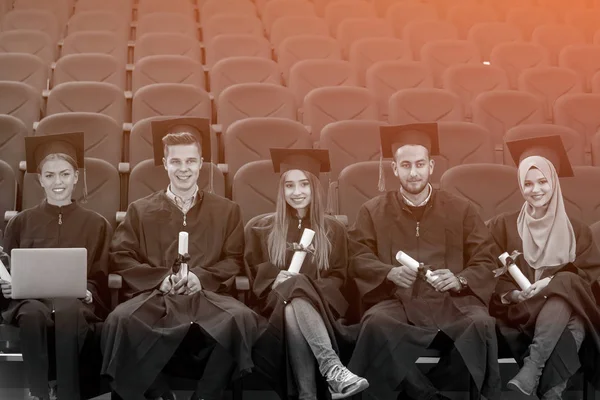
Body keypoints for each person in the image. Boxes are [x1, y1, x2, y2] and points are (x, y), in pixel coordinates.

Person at [101, 117, 262, 400]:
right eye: (176, 162)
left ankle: (205, 395)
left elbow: (233, 258)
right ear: (165, 164)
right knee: (119, 320)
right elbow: (121, 256)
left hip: (206, 296)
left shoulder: (226, 211)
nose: (184, 169)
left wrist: (201, 278)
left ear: (202, 163)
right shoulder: (141, 210)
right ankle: (160, 394)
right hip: (157, 296)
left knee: (242, 318)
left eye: (190, 161)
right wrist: (161, 280)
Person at [346, 123, 501, 400]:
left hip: (452, 302)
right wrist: (388, 273)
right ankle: (425, 394)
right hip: (398, 302)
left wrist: (460, 278)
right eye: (405, 165)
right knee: (375, 324)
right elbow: (358, 256)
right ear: (394, 169)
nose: (413, 172)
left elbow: (485, 256)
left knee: (481, 325)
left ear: (431, 166)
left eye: (420, 164)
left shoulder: (461, 209)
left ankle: (430, 390)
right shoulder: (372, 211)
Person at [245, 149, 369, 400]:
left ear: (315, 188)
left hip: (323, 308)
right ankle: (333, 370)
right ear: (281, 190)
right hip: (273, 309)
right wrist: (274, 280)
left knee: (296, 299)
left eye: (304, 184)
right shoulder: (262, 229)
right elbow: (254, 279)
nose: (297, 192)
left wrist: (305, 286)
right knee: (291, 293)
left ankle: (307, 395)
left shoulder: (334, 229)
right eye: (289, 185)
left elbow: (339, 278)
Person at [488, 135, 600, 399]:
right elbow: (486, 271)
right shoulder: (501, 226)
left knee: (568, 294)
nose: (535, 190)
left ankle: (535, 375)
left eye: (542, 182)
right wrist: (513, 294)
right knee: (573, 311)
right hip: (521, 311)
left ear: (554, 183)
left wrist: (551, 284)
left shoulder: (578, 231)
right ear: (519, 185)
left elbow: (589, 280)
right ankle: (547, 384)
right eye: (527, 183)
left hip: (556, 314)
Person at [1, 132, 112, 400]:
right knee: (32, 314)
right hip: (29, 301)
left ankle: (67, 393)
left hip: (75, 301)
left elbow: (100, 273)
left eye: (64, 174)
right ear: (40, 180)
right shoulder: (20, 222)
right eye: (49, 175)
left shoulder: (96, 224)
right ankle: (39, 392)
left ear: (76, 176)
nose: (57, 181)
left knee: (69, 310)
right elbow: (9, 267)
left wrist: (88, 291)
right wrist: (8, 285)